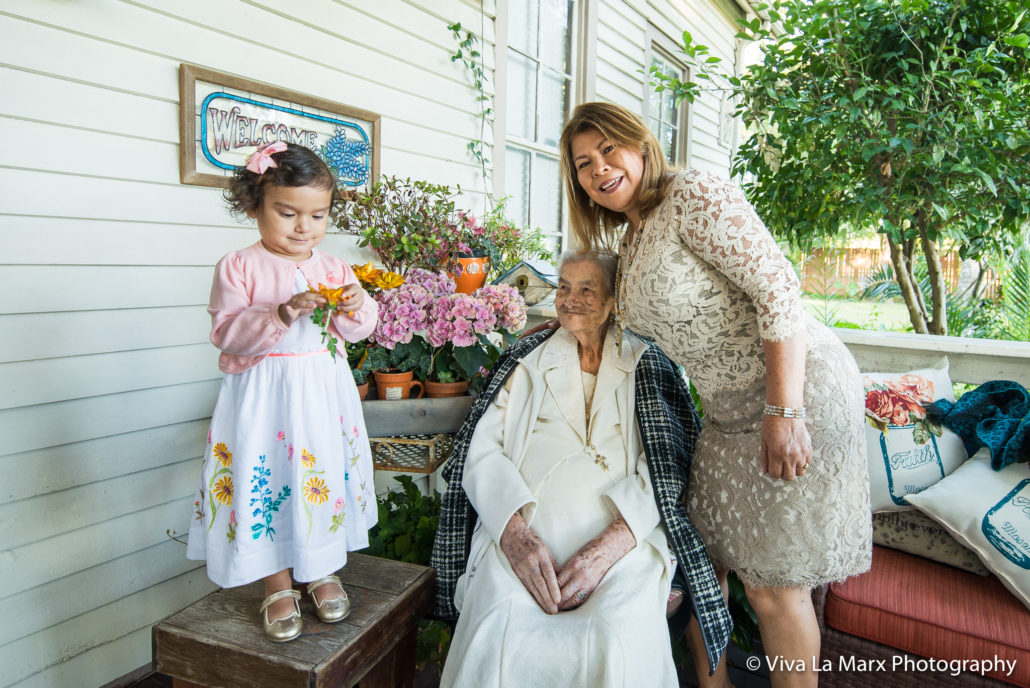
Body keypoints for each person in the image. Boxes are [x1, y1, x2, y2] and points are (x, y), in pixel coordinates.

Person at [557, 102, 872, 688]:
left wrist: (785, 410)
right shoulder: (633, 237)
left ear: (641, 145)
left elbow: (778, 288)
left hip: (794, 389)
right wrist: (556, 325)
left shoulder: (692, 193)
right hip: (724, 413)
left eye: (609, 150)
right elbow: (628, 325)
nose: (599, 168)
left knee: (775, 587)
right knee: (703, 557)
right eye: (583, 163)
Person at [431, 250, 733, 688]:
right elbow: (483, 452)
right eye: (564, 287)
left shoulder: (648, 365)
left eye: (587, 289)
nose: (570, 299)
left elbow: (667, 469)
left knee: (618, 636)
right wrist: (513, 534)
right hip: (521, 543)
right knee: (496, 627)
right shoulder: (528, 360)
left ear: (615, 300)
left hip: (624, 548)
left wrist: (611, 546)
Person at [186, 142, 379, 642]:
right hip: (262, 396)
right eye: (287, 212)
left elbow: (359, 331)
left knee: (315, 474)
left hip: (320, 394)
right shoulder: (239, 266)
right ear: (254, 205)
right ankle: (275, 581)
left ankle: (320, 571)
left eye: (318, 215)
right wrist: (281, 312)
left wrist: (356, 303)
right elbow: (225, 333)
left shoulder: (335, 268)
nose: (304, 227)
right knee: (267, 473)